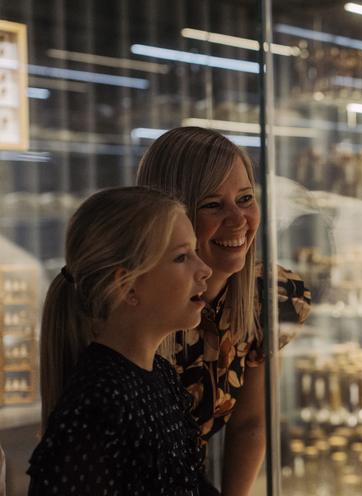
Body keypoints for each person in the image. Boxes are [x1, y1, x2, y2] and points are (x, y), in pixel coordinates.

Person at [136, 127, 311, 494]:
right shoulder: (130, 303)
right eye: (213, 205)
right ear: (169, 215)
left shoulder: (269, 296)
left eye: (245, 198)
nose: (238, 220)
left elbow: (250, 422)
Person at [27, 187, 217, 495]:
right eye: (182, 257)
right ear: (127, 286)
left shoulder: (160, 374)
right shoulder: (99, 404)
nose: (204, 269)